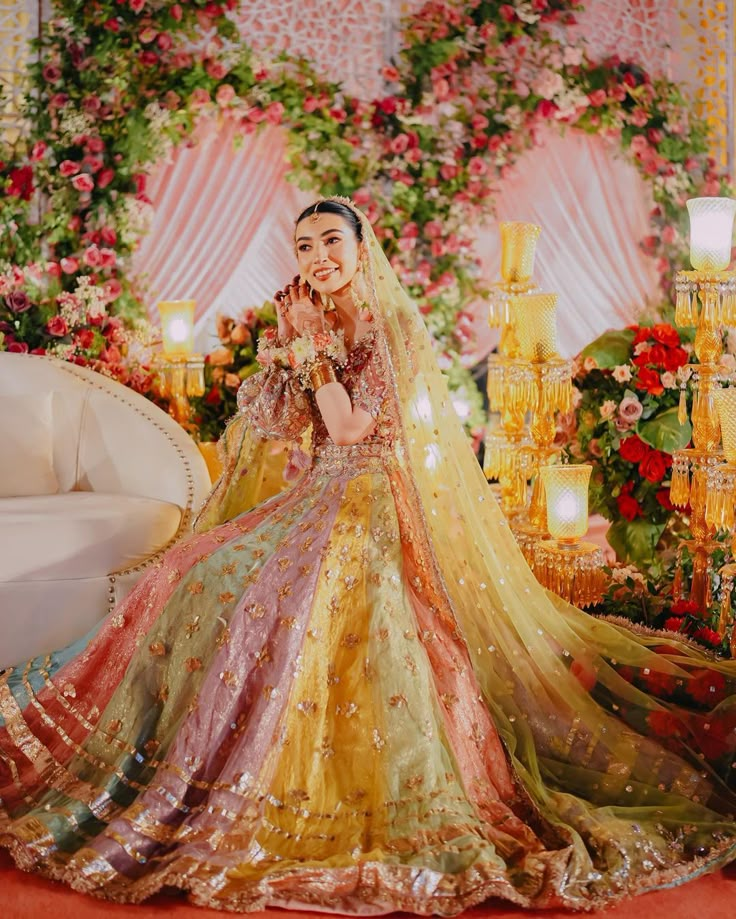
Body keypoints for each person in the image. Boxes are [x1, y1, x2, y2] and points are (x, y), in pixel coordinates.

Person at [1, 197, 736, 914]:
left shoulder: (391, 329)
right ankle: (154, 772)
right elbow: (287, 428)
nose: (317, 257)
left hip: (371, 503)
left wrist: (315, 351)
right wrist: (288, 352)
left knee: (291, 606)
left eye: (329, 241)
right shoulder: (312, 321)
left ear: (361, 247)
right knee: (183, 572)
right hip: (313, 497)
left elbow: (351, 429)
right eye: (303, 247)